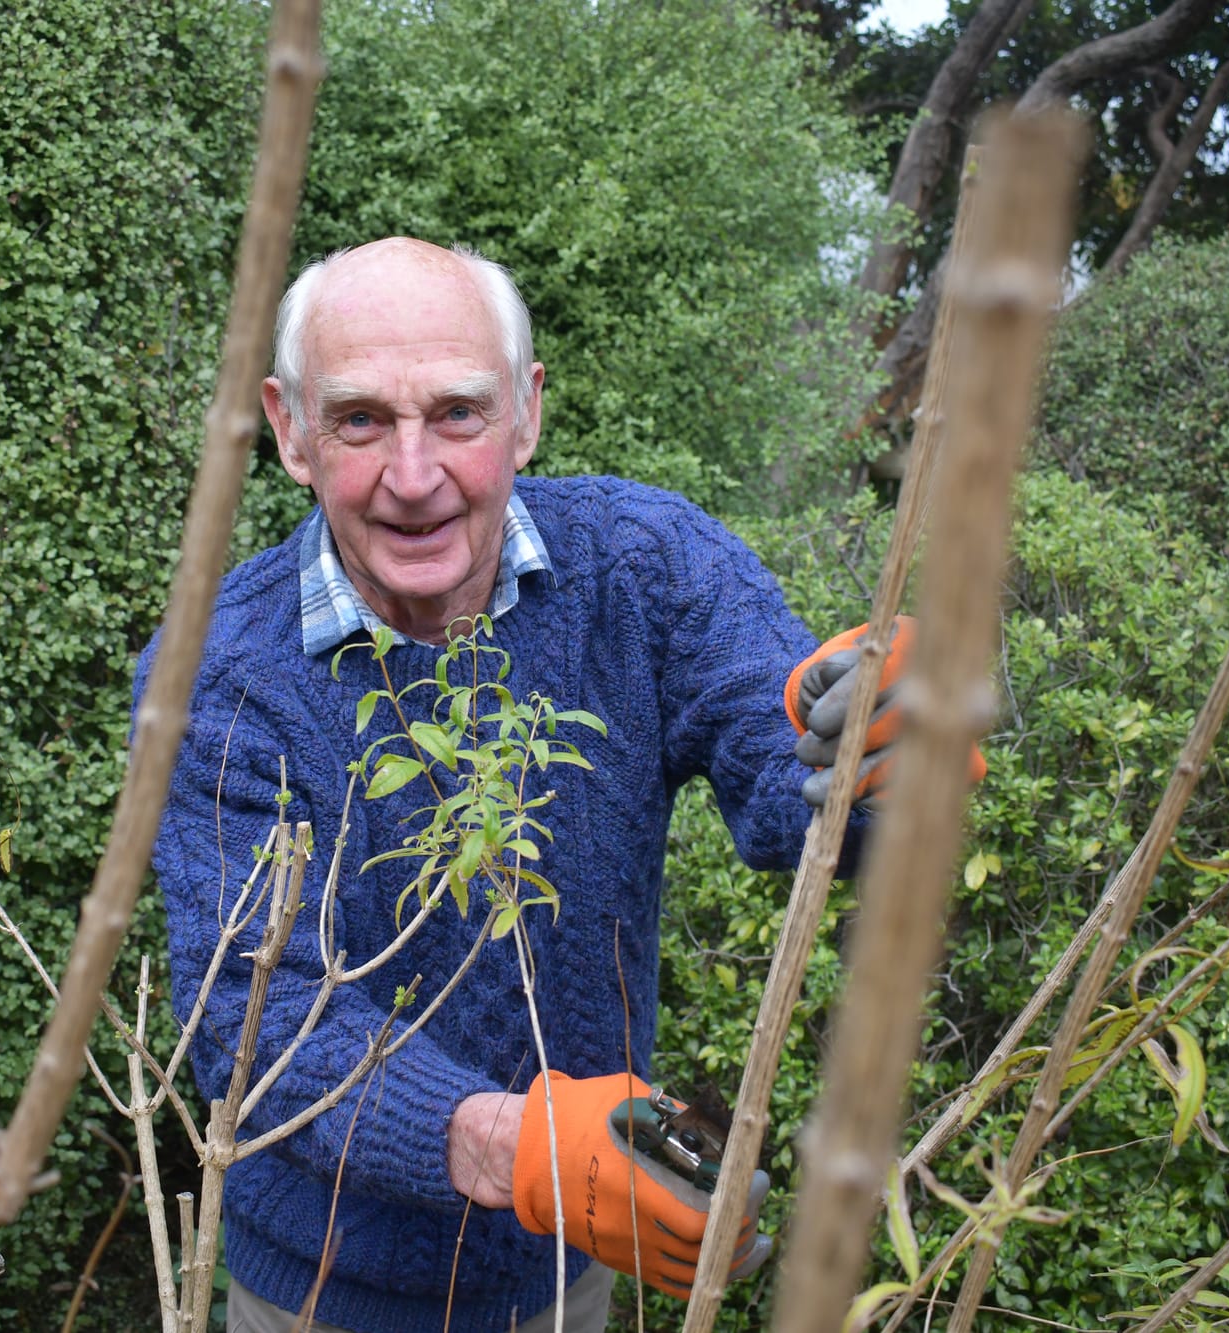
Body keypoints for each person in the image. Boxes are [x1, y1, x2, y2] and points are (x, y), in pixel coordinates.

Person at [137, 238, 911, 1332]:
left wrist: (876, 738)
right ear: (289, 430)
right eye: (360, 419)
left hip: (564, 1270)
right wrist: (511, 1147)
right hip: (318, 1293)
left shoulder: (646, 564)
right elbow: (247, 1018)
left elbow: (794, 791)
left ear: (526, 412)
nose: (415, 477)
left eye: (458, 412)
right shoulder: (217, 673)